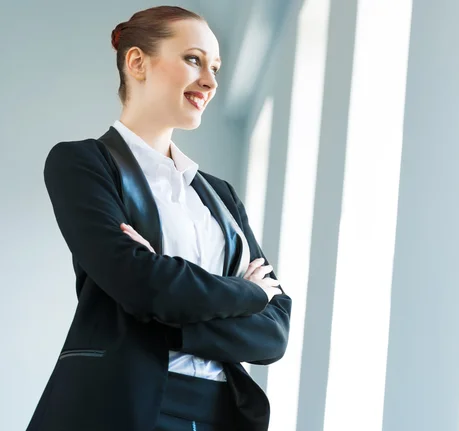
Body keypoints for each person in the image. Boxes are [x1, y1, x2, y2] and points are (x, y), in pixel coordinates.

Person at [26, 6, 292, 431]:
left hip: (221, 413)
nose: (210, 80)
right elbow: (140, 284)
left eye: (216, 67)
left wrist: (167, 310)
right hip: (119, 405)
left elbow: (274, 331)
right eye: (193, 59)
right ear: (137, 62)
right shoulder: (82, 163)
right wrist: (247, 294)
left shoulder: (220, 195)